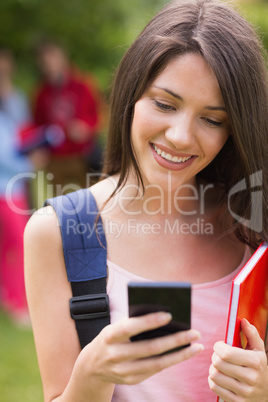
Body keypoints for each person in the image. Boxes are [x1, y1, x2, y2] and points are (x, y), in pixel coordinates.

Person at [24, 0, 268, 400]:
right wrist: (92, 374)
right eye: (165, 104)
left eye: (212, 119)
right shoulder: (57, 233)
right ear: (130, 96)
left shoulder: (253, 229)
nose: (180, 136)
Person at [29, 40, 103, 195]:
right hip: (55, 158)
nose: (49, 64)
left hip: (82, 156)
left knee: (90, 199)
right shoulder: (41, 93)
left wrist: (86, 128)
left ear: (63, 58)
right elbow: (37, 124)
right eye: (44, 61)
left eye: (52, 58)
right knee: (60, 203)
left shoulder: (83, 84)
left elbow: (98, 114)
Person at [0, 49, 32, 324]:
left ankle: (15, 299)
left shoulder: (16, 100)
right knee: (14, 243)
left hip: (14, 185)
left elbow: (23, 135)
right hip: (6, 183)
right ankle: (17, 303)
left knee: (17, 243)